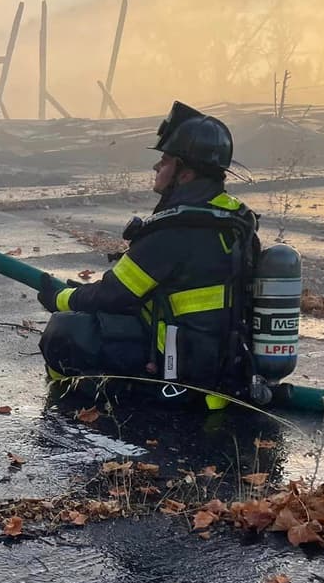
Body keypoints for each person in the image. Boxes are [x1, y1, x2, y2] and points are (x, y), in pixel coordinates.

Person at [36, 102, 259, 410]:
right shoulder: (235, 221)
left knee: (66, 332)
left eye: (165, 161)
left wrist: (61, 298)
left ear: (185, 173)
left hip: (180, 371)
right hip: (225, 367)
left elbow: (116, 294)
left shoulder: (176, 230)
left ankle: (67, 406)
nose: (156, 167)